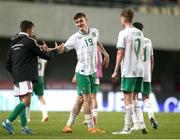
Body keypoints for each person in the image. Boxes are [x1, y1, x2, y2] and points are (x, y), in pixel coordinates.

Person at [56, 12, 109, 133]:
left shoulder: (95, 31)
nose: (79, 24)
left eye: (81, 21)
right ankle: (91, 128)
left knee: (80, 100)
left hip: (92, 71)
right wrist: (58, 49)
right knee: (87, 99)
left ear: (86, 20)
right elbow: (63, 49)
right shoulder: (75, 38)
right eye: (77, 22)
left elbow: (97, 43)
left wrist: (106, 54)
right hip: (83, 71)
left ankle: (68, 126)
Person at [2, 20, 59, 134]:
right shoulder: (29, 41)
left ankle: (24, 128)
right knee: (27, 102)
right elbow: (44, 56)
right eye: (33, 29)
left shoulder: (13, 43)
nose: (33, 31)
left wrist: (15, 74)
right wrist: (56, 51)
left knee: (22, 102)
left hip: (16, 77)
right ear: (28, 29)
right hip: (26, 76)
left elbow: (8, 64)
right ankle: (8, 121)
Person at [111, 9, 147, 134]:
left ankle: (126, 128)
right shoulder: (140, 33)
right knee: (134, 98)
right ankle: (140, 124)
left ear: (124, 19)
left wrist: (115, 70)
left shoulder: (123, 33)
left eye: (121, 19)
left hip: (129, 69)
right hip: (139, 69)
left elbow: (120, 52)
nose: (120, 21)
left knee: (127, 98)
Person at [131, 22, 158, 130]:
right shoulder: (148, 41)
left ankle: (137, 123)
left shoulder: (134, 40)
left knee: (133, 97)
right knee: (146, 97)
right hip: (147, 73)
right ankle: (151, 116)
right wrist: (150, 73)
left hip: (137, 73)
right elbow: (152, 60)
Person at [72, 46, 104, 126]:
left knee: (85, 97)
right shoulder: (99, 50)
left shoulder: (90, 48)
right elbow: (101, 63)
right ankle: (93, 116)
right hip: (97, 75)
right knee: (93, 97)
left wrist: (75, 75)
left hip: (89, 74)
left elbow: (82, 61)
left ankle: (89, 118)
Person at [26, 57, 48, 123]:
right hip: (41, 77)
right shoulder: (43, 57)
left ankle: (27, 117)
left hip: (32, 77)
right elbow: (45, 65)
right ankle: (45, 115)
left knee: (28, 97)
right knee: (41, 97)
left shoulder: (31, 56)